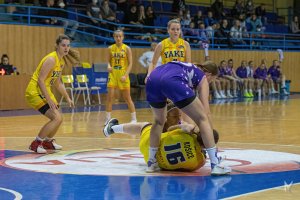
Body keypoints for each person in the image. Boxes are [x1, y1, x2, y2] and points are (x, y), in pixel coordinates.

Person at [145, 61, 231, 175]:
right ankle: (215, 164)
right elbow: (206, 111)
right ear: (209, 74)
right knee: (202, 119)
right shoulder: (202, 76)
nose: (210, 83)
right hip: (172, 80)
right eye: (212, 80)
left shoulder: (186, 67)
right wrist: (211, 136)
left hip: (153, 79)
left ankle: (151, 163)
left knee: (158, 121)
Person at [103, 103, 220, 171]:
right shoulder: (199, 162)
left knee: (145, 126)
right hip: (159, 161)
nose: (179, 119)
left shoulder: (183, 128)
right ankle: (112, 129)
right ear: (165, 116)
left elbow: (171, 130)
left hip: (151, 152)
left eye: (179, 116)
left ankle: (113, 128)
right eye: (175, 116)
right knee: (148, 126)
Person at [25, 34, 79, 153]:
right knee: (55, 118)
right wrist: (48, 99)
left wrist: (67, 97)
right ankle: (36, 143)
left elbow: (58, 83)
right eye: (63, 45)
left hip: (45, 90)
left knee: (59, 119)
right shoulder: (51, 59)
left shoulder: (61, 62)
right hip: (35, 91)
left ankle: (48, 142)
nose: (66, 48)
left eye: (68, 46)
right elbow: (40, 80)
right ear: (57, 46)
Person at [105, 29, 137, 125]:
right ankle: (107, 119)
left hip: (123, 74)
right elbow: (107, 61)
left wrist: (126, 75)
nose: (118, 38)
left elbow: (131, 63)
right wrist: (108, 66)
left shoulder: (127, 48)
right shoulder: (110, 48)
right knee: (110, 98)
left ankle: (134, 119)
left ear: (123, 37)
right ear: (114, 37)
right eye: (116, 36)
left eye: (120, 36)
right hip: (113, 74)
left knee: (127, 98)